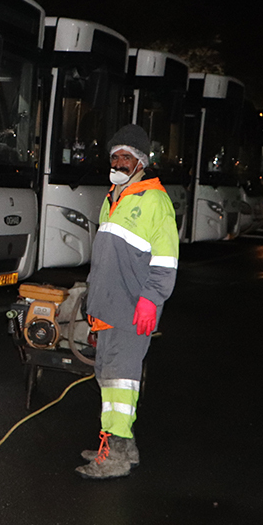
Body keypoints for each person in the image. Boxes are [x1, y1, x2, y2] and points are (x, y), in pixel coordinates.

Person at [76, 123, 179, 480]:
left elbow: (166, 261)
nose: (118, 162)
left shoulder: (154, 201)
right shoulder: (112, 198)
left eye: (126, 157)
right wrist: (92, 295)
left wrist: (151, 300)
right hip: (108, 308)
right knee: (107, 378)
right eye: (115, 156)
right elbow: (104, 257)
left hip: (133, 311)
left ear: (141, 162)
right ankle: (123, 446)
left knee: (121, 383)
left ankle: (115, 456)